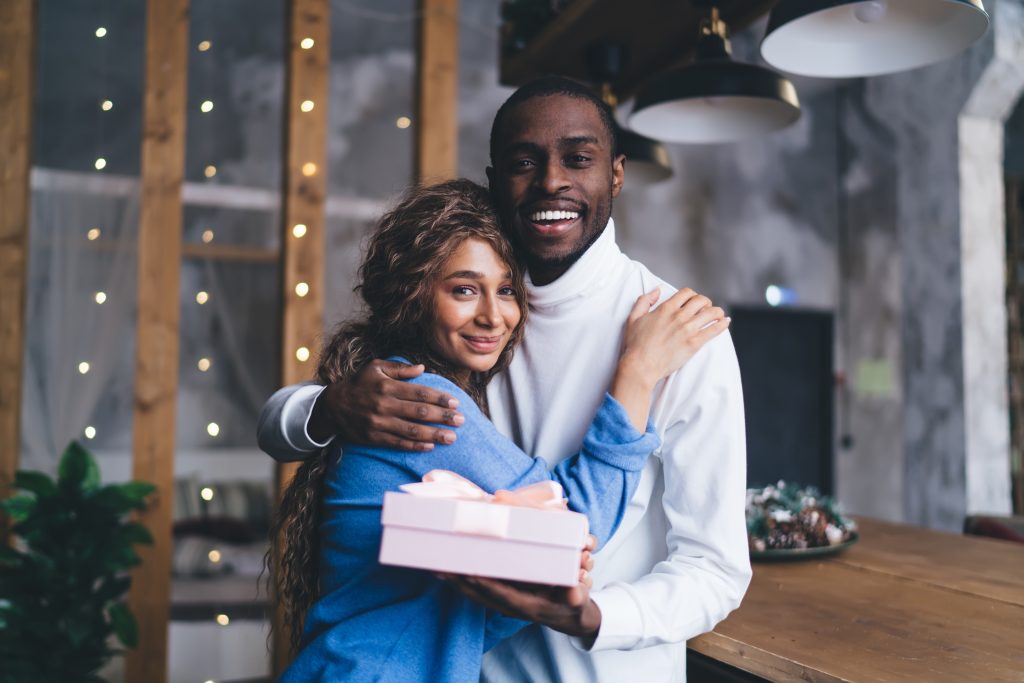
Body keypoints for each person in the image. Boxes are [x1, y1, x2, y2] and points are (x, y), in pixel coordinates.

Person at [258, 76, 751, 682]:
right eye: (525, 161)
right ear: (496, 181)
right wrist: (330, 406)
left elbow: (716, 569)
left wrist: (597, 618)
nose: (551, 181)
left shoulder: (680, 337)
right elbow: (281, 427)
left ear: (616, 175)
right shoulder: (470, 323)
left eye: (579, 158)